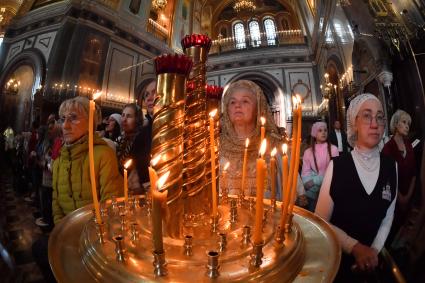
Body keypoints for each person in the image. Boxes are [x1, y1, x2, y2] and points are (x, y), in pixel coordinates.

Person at [315, 93, 397, 283]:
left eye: (379, 117)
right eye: (367, 116)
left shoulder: (391, 166)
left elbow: (388, 216)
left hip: (374, 265)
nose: (375, 124)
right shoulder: (338, 166)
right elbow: (320, 221)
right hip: (338, 266)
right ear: (355, 122)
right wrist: (355, 247)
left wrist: (374, 251)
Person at [219, 79, 304, 200]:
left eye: (245, 101)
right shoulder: (216, 145)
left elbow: (291, 184)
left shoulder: (274, 144)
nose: (237, 105)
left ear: (258, 109)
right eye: (232, 102)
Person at [382, 109, 416, 244]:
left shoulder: (409, 146)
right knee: (392, 234)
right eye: (404, 122)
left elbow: (414, 174)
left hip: (409, 198)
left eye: (408, 123)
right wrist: (400, 197)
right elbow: (387, 178)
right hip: (393, 201)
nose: (407, 126)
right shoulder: (388, 148)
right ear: (396, 124)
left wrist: (407, 197)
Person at [301, 121, 339, 211]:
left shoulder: (333, 149)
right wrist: (313, 184)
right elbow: (305, 175)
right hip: (312, 195)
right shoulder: (308, 152)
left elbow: (335, 172)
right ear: (314, 133)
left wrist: (315, 180)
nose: (323, 132)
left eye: (325, 130)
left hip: (329, 192)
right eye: (320, 130)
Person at [117, 103, 151, 194]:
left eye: (129, 116)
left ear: (137, 119)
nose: (124, 119)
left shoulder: (141, 139)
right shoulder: (120, 139)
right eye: (123, 115)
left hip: (137, 189)